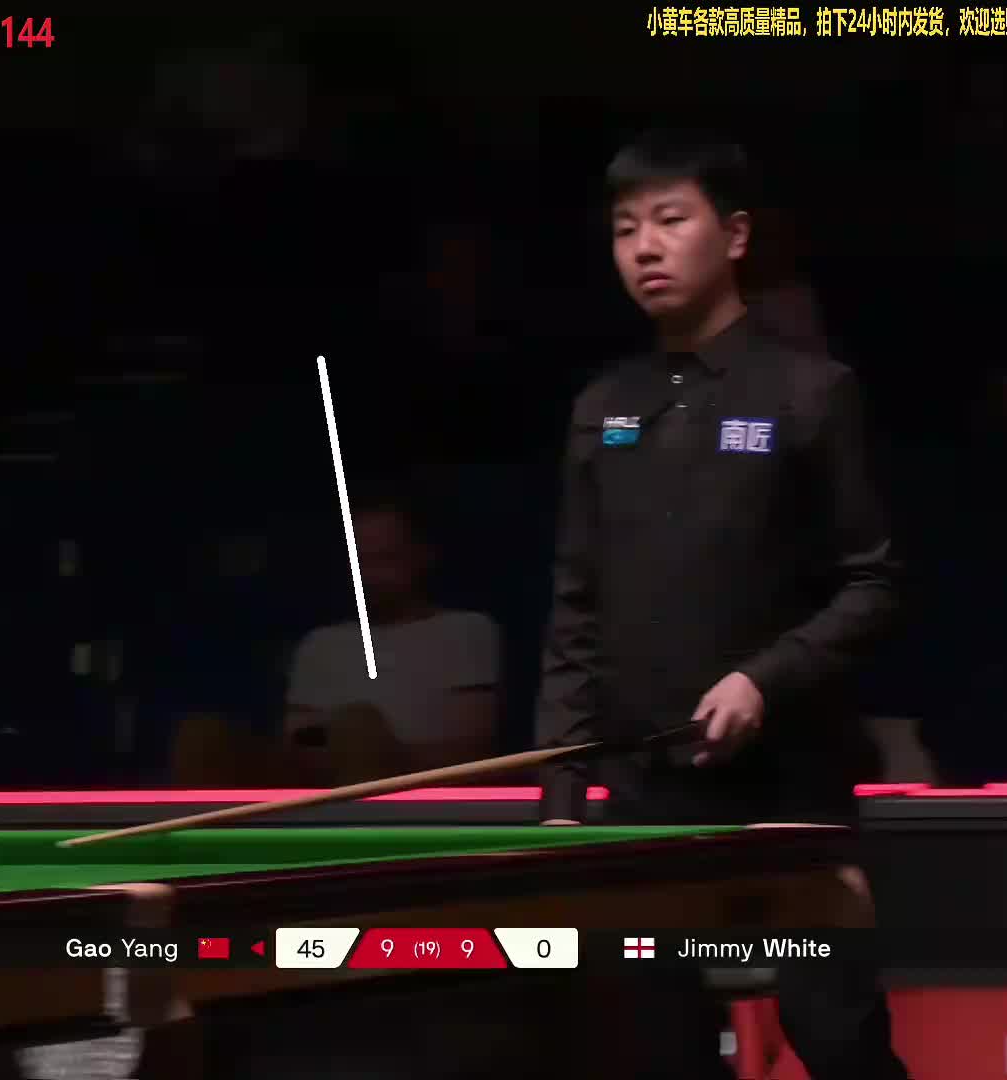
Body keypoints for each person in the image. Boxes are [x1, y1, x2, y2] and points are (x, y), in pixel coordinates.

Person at [535, 130, 912, 1079]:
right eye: (626, 229)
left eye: (670, 220)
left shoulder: (811, 392)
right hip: (646, 798)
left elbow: (874, 584)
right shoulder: (602, 406)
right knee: (650, 1047)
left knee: (839, 1041)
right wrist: (564, 795)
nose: (645, 248)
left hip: (789, 791)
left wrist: (763, 681)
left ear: (735, 235)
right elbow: (576, 611)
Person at [283, 498, 501, 782]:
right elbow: (297, 743)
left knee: (359, 727)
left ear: (421, 557)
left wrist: (374, 748)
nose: (370, 575)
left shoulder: (464, 631)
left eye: (386, 559)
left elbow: (470, 746)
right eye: (361, 560)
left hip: (427, 791)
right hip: (328, 787)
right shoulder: (319, 645)